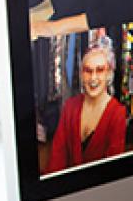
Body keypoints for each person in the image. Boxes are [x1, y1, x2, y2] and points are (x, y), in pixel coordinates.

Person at [44, 40, 127, 173]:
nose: (93, 78)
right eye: (88, 71)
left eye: (100, 70)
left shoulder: (117, 113)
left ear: (109, 74)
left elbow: (113, 167)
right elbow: (57, 156)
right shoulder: (70, 106)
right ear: (82, 74)